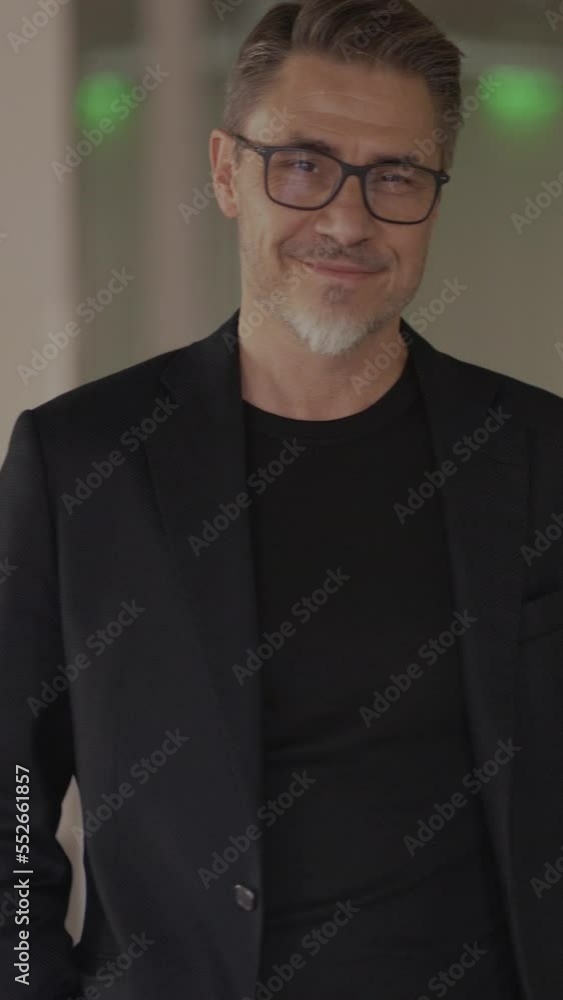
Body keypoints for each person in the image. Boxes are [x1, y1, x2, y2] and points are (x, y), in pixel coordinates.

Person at [1, 1, 561, 997]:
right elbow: (10, 780)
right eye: (302, 163)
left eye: (393, 175)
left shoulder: (539, 451)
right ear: (226, 172)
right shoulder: (80, 457)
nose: (346, 220)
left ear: (432, 197)